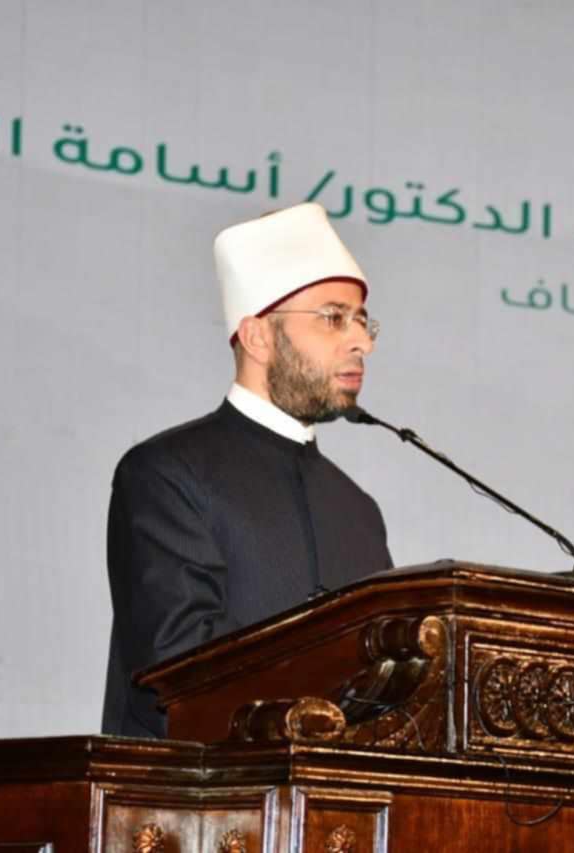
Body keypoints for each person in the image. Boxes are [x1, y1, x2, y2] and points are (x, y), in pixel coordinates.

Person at [102, 203, 393, 738]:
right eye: (333, 318)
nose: (362, 342)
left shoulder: (358, 510)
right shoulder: (166, 475)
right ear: (258, 336)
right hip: (195, 785)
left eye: (361, 321)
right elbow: (179, 663)